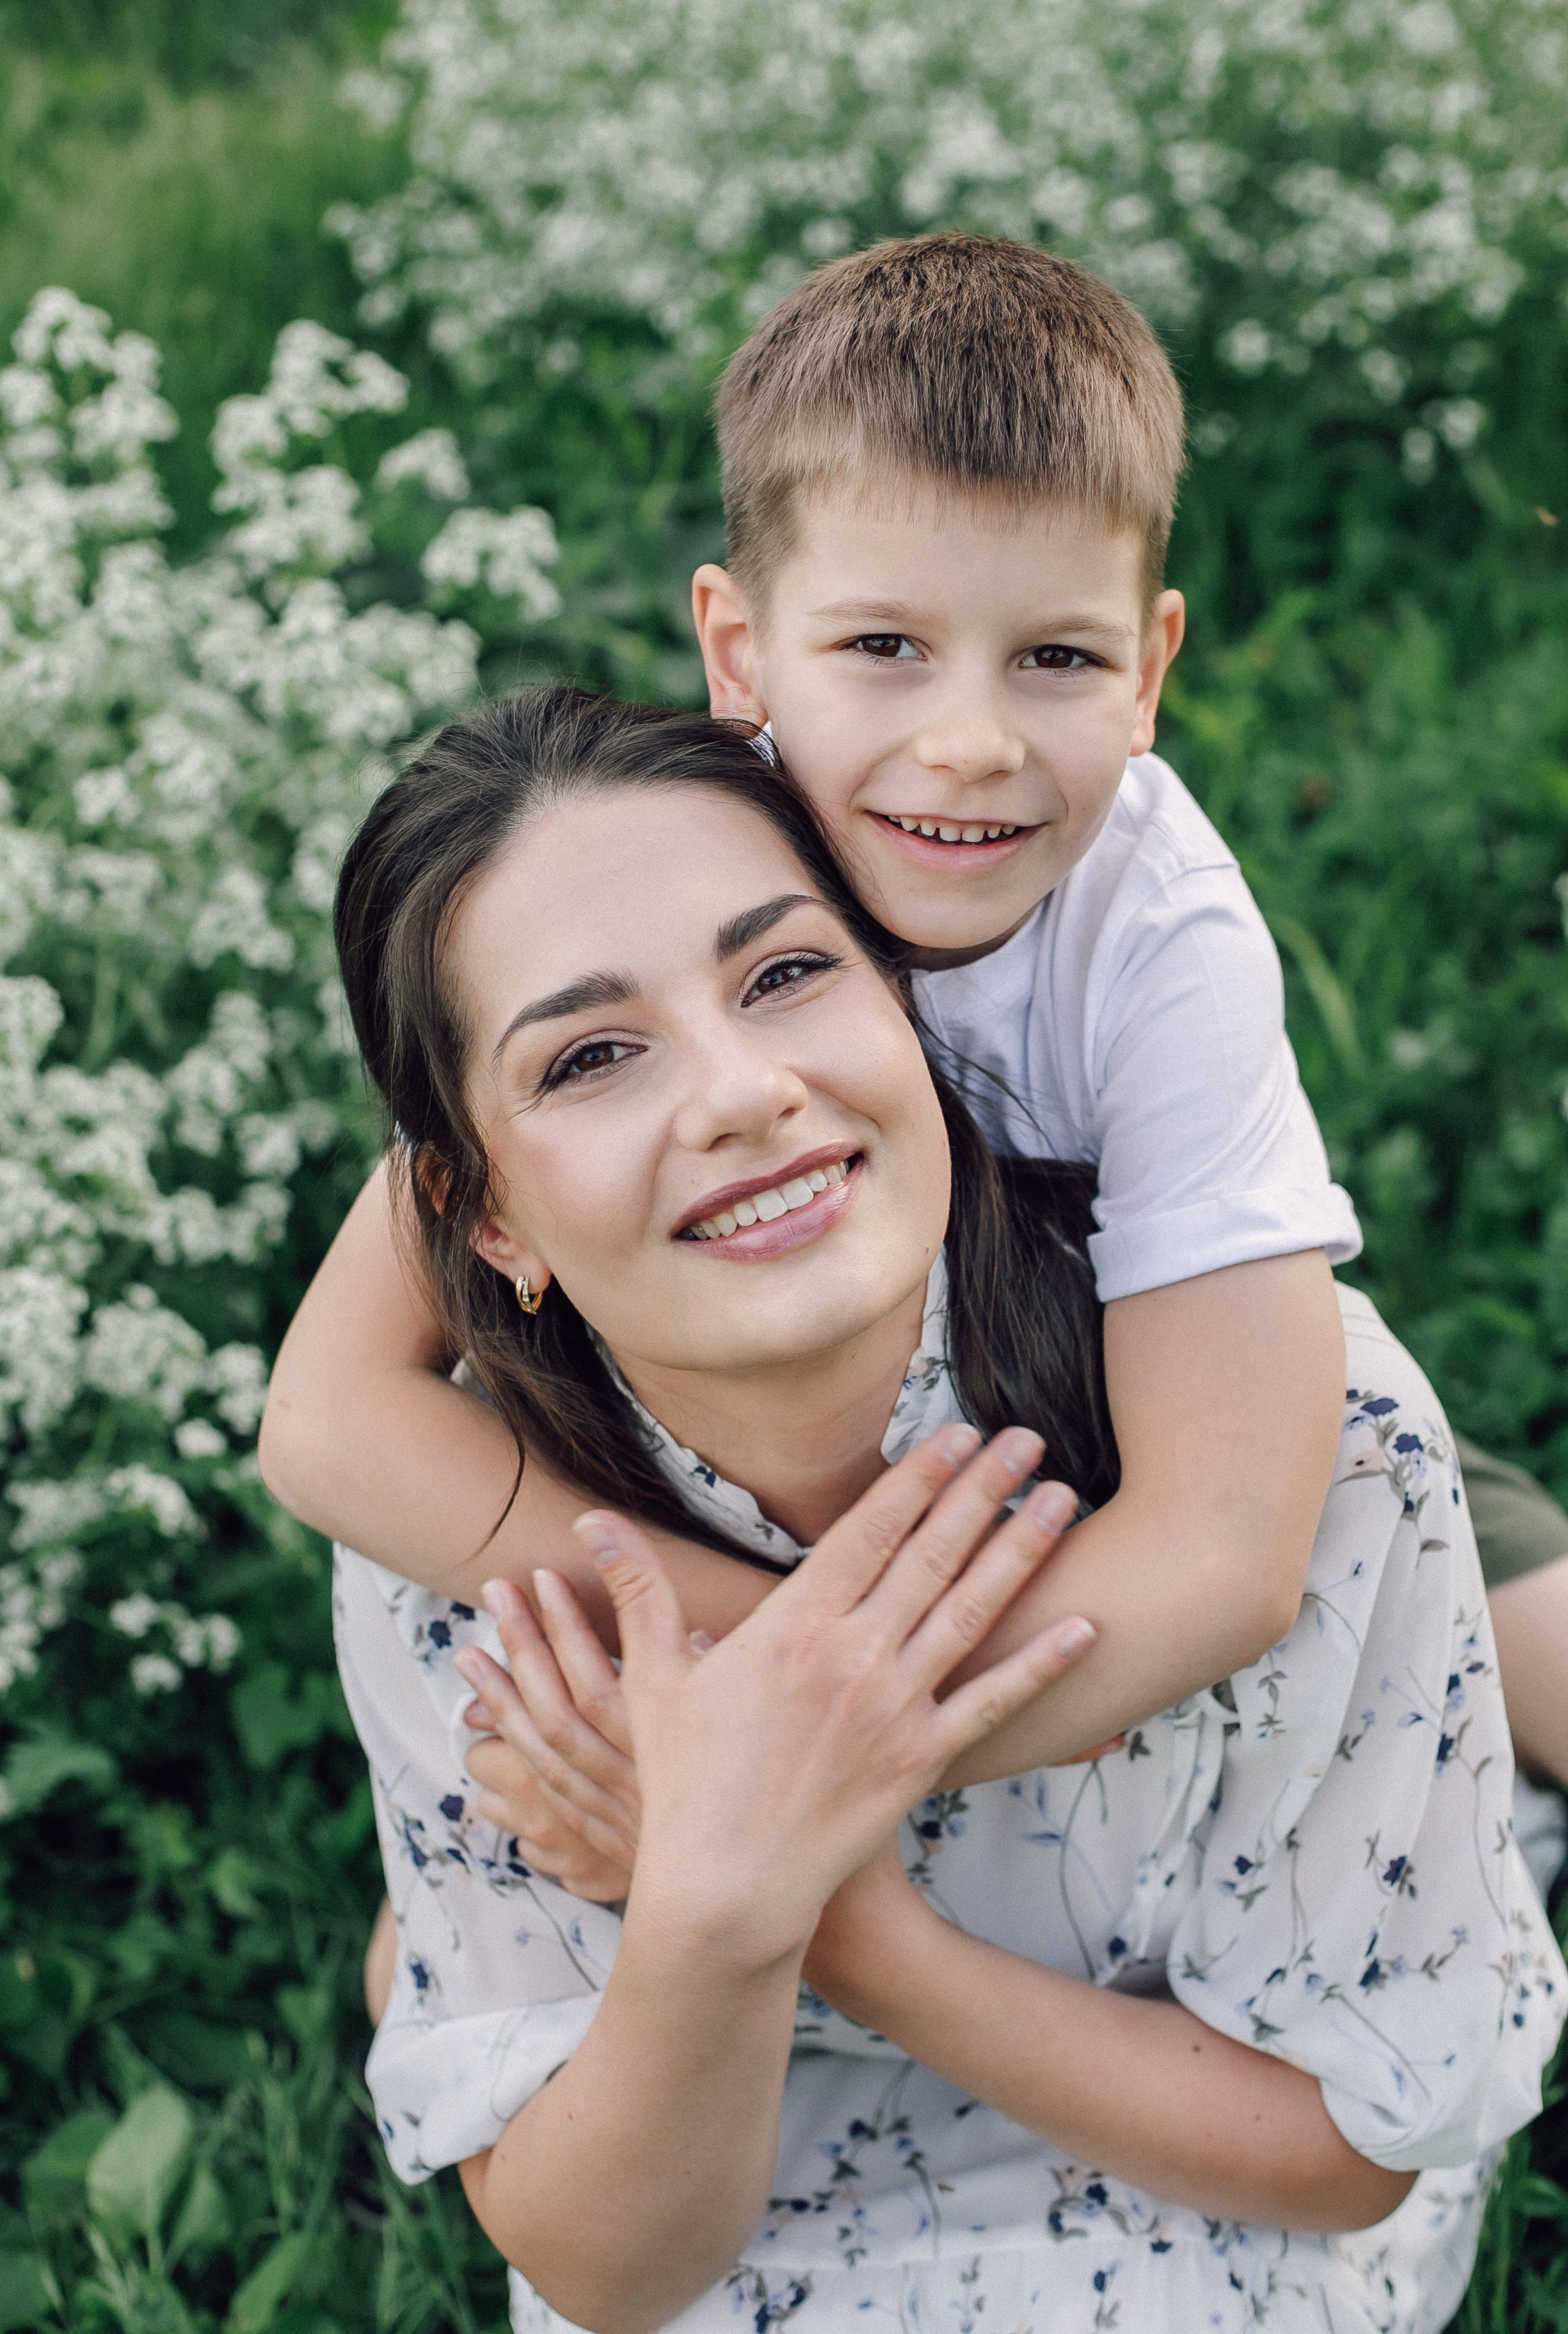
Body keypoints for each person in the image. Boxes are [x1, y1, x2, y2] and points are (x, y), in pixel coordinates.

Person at [261, 231, 1568, 1854]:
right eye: (884, 647)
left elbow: (1224, 1552)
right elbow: (328, 1418)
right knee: (430, 1973)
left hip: (1192, 1389)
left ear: (1152, 668)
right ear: (741, 655)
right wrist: (759, 1652)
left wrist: (763, 1764)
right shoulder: (676, 869)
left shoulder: (1156, 933)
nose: (969, 748)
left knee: (1524, 1656)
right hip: (783, 1471)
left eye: (1059, 658)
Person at [326, 690, 1562, 2334]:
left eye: (786, 973)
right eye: (592, 1055)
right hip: (743, 2186)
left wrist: (801, 1891)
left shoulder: (1299, 1455)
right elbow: (608, 2273)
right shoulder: (463, 1556)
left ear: (921, 1012)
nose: (738, 1093)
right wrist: (706, 1932)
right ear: (481, 1221)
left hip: (1195, 2179)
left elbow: (1343, 2157)